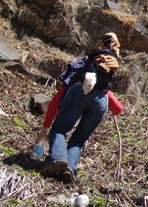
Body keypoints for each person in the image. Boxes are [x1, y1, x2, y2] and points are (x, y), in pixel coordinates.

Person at [39, 32, 121, 183]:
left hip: (79, 91)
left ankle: (57, 159)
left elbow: (56, 101)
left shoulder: (84, 64)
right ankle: (70, 169)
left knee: (59, 130)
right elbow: (118, 109)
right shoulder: (108, 74)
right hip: (101, 101)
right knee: (78, 140)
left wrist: (45, 128)